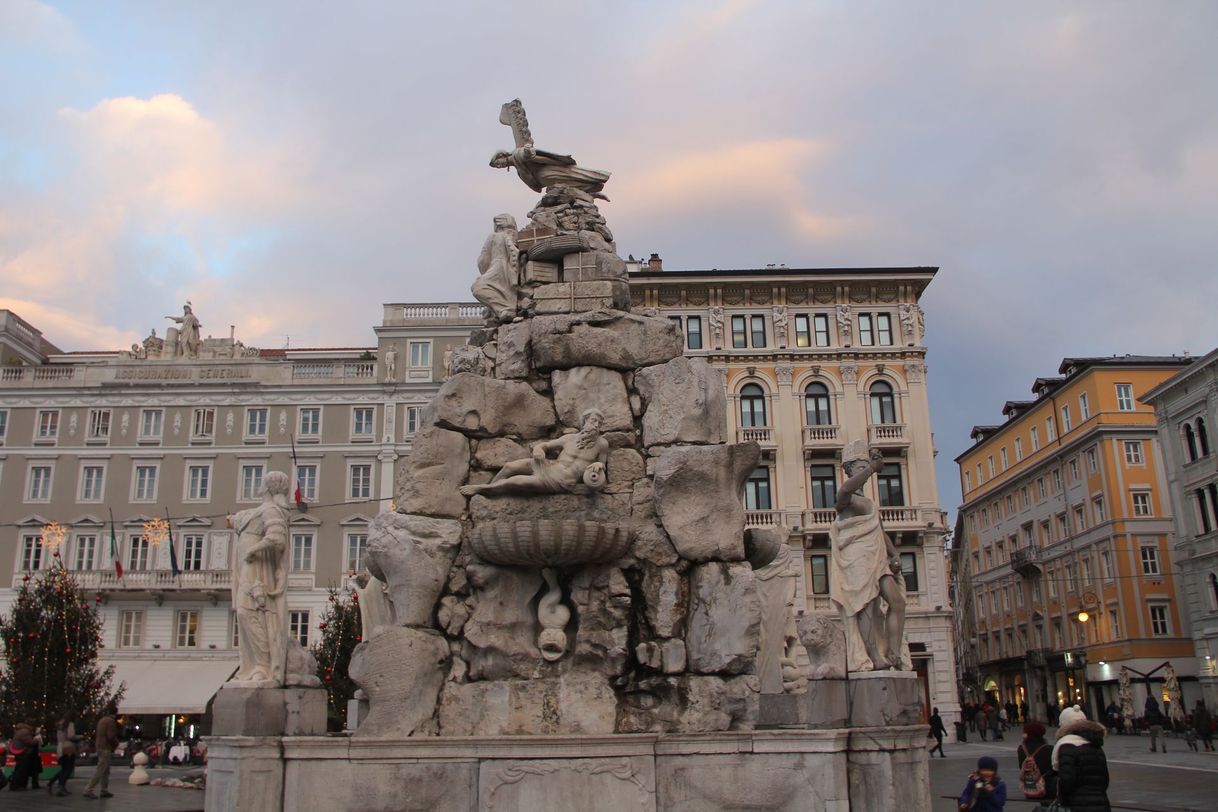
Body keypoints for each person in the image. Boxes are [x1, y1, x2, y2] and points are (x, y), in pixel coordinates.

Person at [828, 442, 908, 672]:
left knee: (897, 602)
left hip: (877, 558)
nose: (865, 471)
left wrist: (895, 554)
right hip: (857, 559)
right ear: (849, 470)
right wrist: (872, 468)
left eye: (866, 466)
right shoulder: (847, 500)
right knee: (863, 605)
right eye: (860, 467)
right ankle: (873, 655)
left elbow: (880, 531)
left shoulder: (869, 503)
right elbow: (842, 492)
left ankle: (892, 650)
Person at [1053, 704, 1111, 812]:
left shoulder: (1066, 746)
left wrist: (1063, 798)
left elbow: (1066, 780)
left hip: (1077, 805)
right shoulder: (1096, 745)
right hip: (1102, 803)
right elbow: (1105, 780)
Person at [1016, 721, 1056, 810]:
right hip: (1048, 787)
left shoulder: (1021, 749)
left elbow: (1021, 767)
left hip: (1030, 785)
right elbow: (1053, 769)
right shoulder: (1049, 749)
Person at [82, 703, 118, 799]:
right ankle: (88, 789)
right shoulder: (110, 721)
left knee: (106, 770)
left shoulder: (102, 720)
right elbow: (110, 736)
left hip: (99, 746)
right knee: (101, 769)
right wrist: (116, 743)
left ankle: (104, 790)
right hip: (106, 747)